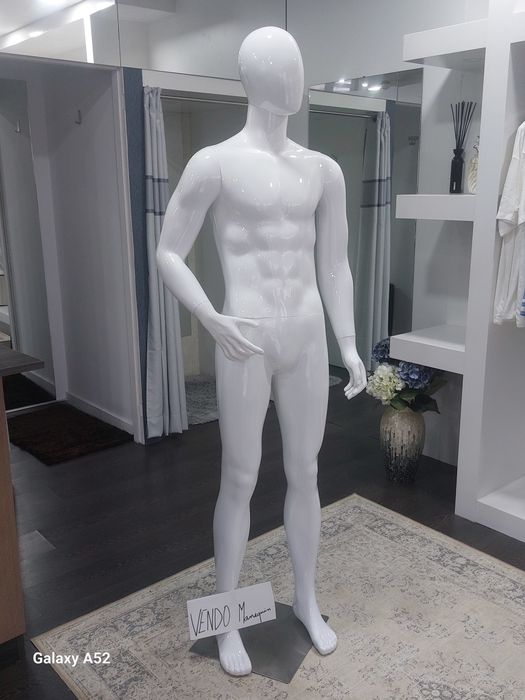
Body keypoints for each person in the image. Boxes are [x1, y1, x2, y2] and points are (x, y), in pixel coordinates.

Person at [156, 26, 367, 677]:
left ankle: (305, 598)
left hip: (305, 334)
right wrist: (209, 316)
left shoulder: (322, 170)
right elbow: (168, 251)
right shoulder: (214, 163)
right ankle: (225, 619)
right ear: (251, 78)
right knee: (240, 477)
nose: (294, 76)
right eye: (282, 66)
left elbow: (334, 264)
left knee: (305, 471)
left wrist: (349, 343)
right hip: (243, 335)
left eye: (297, 64)